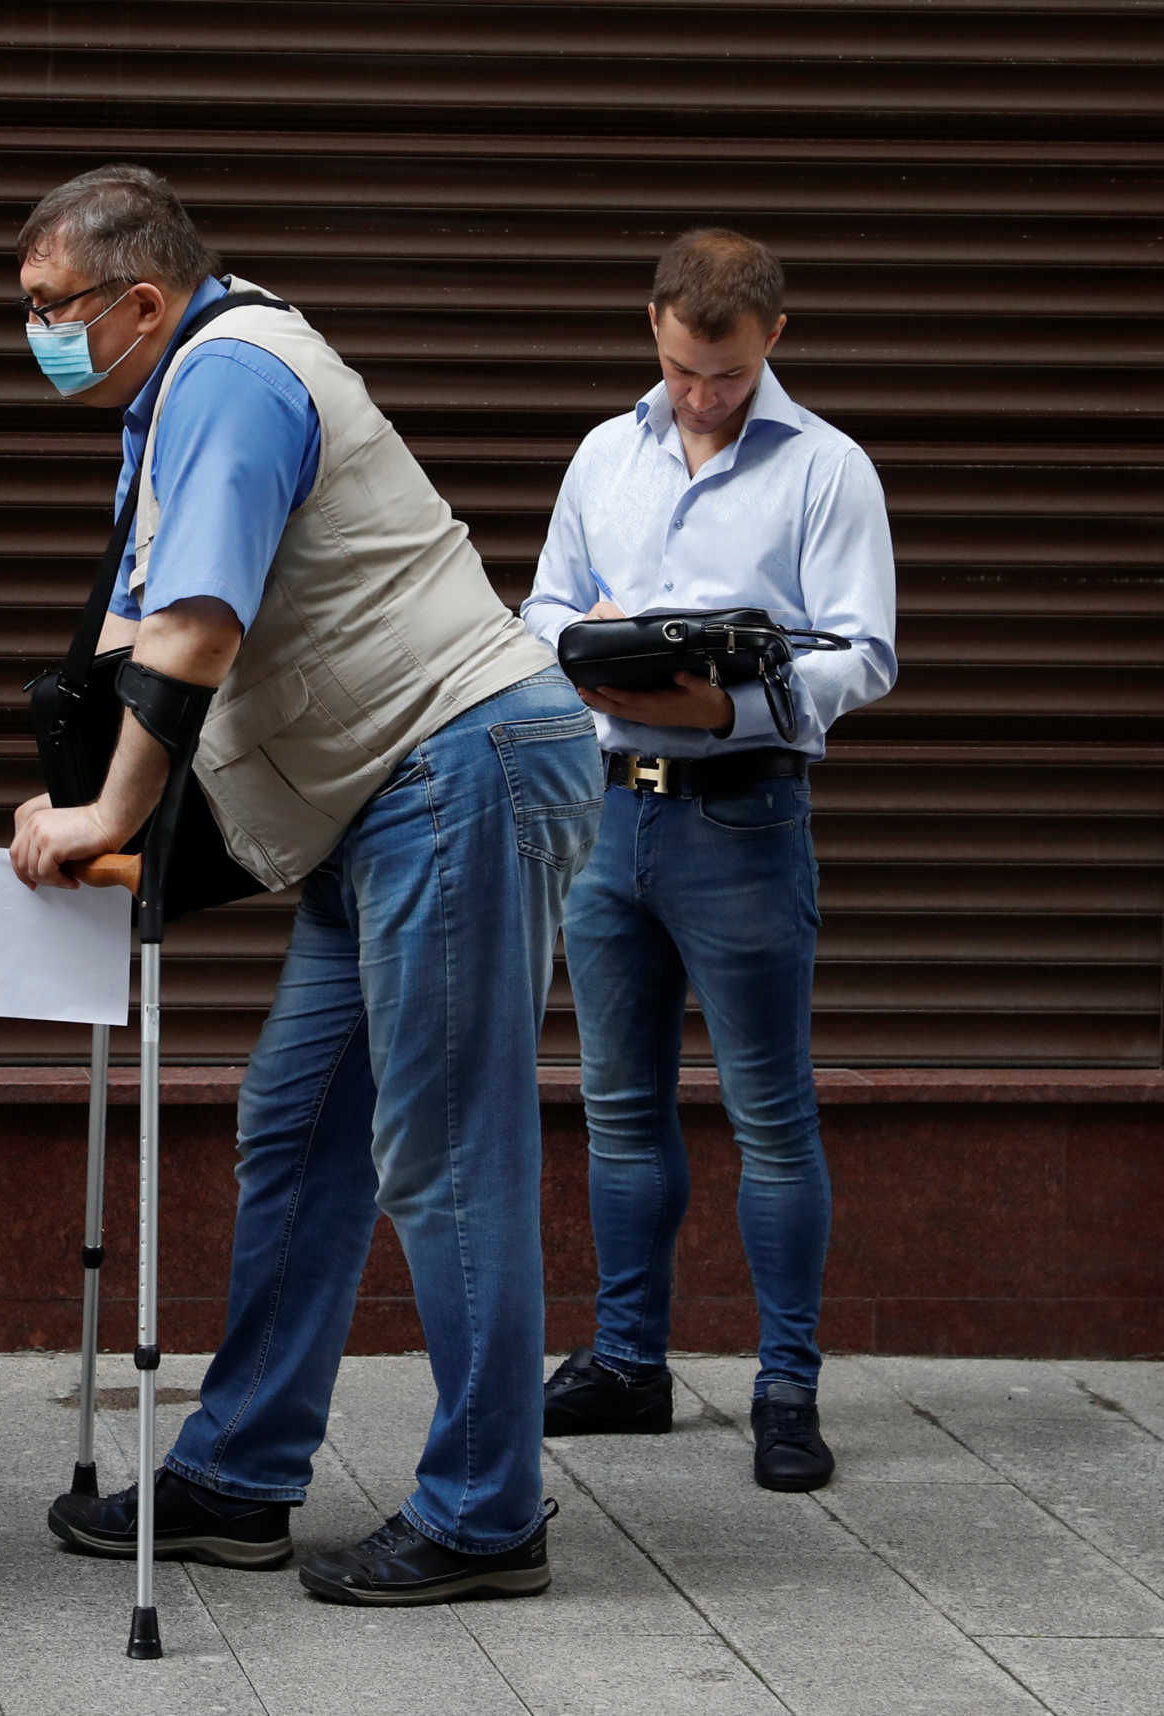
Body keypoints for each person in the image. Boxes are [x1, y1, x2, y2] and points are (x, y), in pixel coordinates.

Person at [10, 165, 602, 1605]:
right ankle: (241, 1475)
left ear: (140, 301)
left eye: (51, 309)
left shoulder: (228, 376)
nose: (34, 335)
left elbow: (199, 628)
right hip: (383, 795)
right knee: (300, 1120)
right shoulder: (185, 384)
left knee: (446, 1154)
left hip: (455, 767)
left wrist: (106, 816)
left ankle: (485, 1513)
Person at [524, 229, 897, 1492]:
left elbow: (863, 653)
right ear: (653, 328)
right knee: (619, 1107)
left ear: (772, 340)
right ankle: (628, 1363)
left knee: (770, 1117)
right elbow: (538, 608)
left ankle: (785, 1388)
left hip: (741, 813)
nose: (700, 396)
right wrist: (594, 636)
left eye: (726, 374)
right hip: (604, 816)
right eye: (683, 369)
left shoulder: (827, 470)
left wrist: (728, 707)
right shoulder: (600, 451)